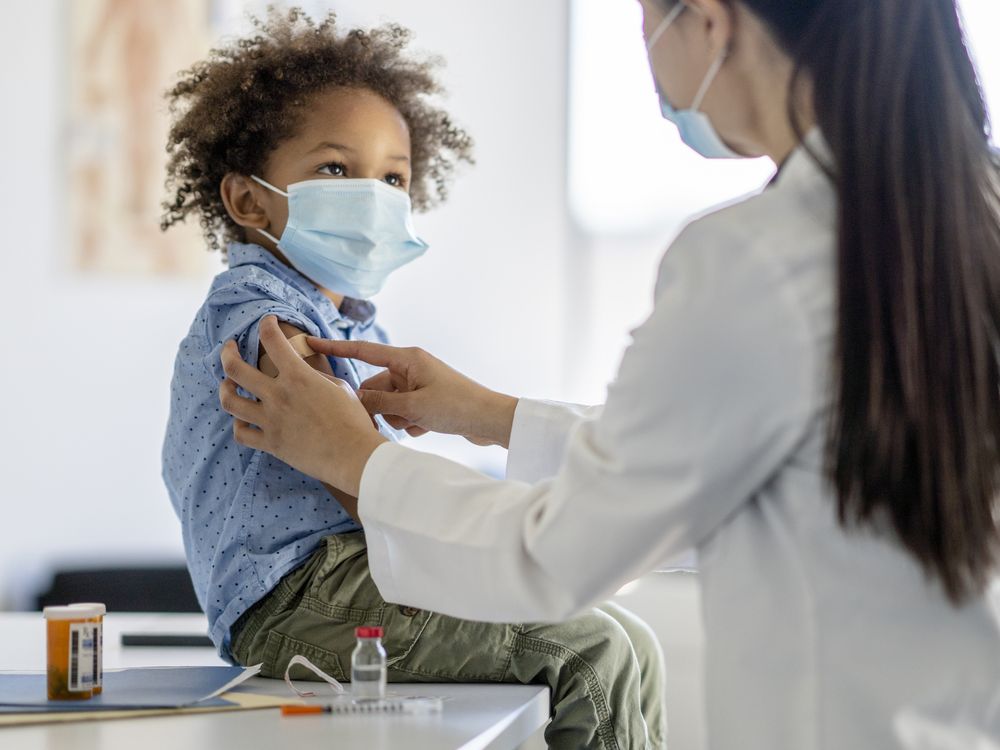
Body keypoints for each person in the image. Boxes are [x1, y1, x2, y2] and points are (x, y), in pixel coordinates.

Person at [217, 0, 1000, 747]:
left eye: (644, 22)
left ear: (709, 20)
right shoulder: (968, 213)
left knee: (600, 646)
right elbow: (780, 461)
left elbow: (558, 552)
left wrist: (356, 456)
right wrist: (492, 415)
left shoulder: (756, 259)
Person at [160, 9, 667, 749]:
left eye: (393, 177)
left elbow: (382, 478)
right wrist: (493, 559)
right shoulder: (262, 316)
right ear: (247, 200)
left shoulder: (353, 321)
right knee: (592, 651)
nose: (373, 196)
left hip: (351, 576)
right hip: (301, 597)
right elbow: (358, 477)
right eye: (335, 169)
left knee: (627, 636)